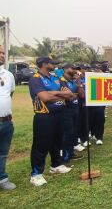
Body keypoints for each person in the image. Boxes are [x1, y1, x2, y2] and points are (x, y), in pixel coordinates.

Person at [29, 56, 75, 186]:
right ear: (44, 64)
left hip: (60, 114)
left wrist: (55, 95)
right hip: (44, 116)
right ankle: (36, 174)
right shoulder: (35, 79)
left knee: (57, 142)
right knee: (41, 145)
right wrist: (60, 95)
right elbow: (44, 97)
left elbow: (70, 95)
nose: (55, 65)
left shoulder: (55, 78)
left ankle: (56, 165)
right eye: (52, 63)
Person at [60, 63, 84, 163]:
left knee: (73, 132)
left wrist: (78, 82)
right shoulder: (61, 81)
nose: (75, 70)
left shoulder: (73, 81)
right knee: (67, 133)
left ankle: (71, 153)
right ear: (65, 69)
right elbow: (68, 96)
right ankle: (64, 156)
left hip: (75, 109)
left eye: (76, 69)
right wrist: (74, 95)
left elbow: (81, 95)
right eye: (73, 68)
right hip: (66, 110)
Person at [0, 45, 16, 190]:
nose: (2, 55)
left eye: (3, 52)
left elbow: (10, 94)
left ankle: (2, 178)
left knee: (3, 152)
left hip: (6, 121)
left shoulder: (8, 75)